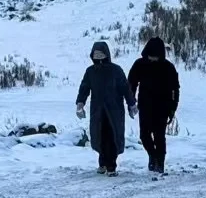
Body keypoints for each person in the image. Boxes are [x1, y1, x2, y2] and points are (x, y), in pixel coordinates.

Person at [75, 40, 136, 174]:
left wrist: (131, 104)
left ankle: (111, 166)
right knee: (99, 137)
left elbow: (125, 88)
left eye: (101, 54)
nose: (98, 57)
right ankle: (102, 163)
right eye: (95, 54)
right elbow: (84, 88)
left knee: (112, 137)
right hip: (98, 111)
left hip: (114, 111)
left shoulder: (116, 70)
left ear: (106, 54)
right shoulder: (90, 71)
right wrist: (80, 103)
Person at [127, 37, 179, 174]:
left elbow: (175, 89)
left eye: (155, 57)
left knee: (159, 136)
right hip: (144, 105)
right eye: (150, 56)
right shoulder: (139, 64)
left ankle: (159, 163)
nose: (152, 59)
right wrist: (131, 102)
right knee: (144, 136)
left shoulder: (168, 67)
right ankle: (153, 155)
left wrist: (173, 108)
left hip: (163, 108)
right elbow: (131, 83)